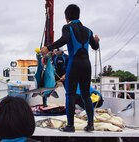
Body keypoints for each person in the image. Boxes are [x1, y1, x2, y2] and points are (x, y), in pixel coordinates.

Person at [41, 4, 100, 132]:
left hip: (74, 64)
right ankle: (90, 125)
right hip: (86, 66)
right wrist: (97, 40)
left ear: (67, 17)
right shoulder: (88, 31)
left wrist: (48, 48)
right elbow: (95, 46)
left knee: (70, 94)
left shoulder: (67, 27)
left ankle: (70, 126)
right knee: (86, 95)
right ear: (78, 15)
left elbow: (64, 40)